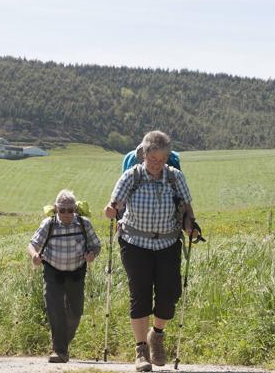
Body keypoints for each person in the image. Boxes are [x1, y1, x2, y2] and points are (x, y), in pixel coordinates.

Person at [104, 131, 196, 371]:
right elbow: (114, 205)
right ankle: (141, 350)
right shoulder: (131, 177)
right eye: (152, 159)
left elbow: (187, 208)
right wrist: (110, 211)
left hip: (167, 242)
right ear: (144, 155)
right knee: (140, 293)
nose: (157, 164)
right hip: (134, 243)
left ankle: (156, 333)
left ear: (167, 158)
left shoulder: (175, 178)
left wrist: (190, 226)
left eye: (162, 159)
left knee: (169, 294)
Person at [28, 189, 101, 363]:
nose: (67, 214)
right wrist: (34, 256)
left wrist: (92, 254)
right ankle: (59, 351)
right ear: (56, 209)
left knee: (76, 311)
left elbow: (96, 245)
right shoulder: (49, 224)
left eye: (70, 210)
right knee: (55, 310)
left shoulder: (84, 224)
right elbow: (33, 244)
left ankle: (62, 345)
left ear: (75, 209)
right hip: (53, 272)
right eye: (62, 210)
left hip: (76, 273)